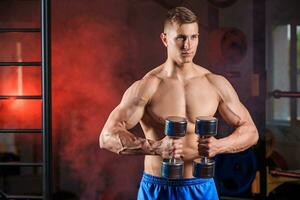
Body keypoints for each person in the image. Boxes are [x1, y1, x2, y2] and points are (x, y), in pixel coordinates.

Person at [99, 6, 259, 200]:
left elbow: (250, 132)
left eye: (193, 37)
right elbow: (107, 136)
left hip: (202, 187)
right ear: (165, 39)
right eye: (181, 37)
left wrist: (220, 146)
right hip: (158, 188)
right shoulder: (148, 86)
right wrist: (156, 147)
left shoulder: (214, 83)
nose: (187, 46)